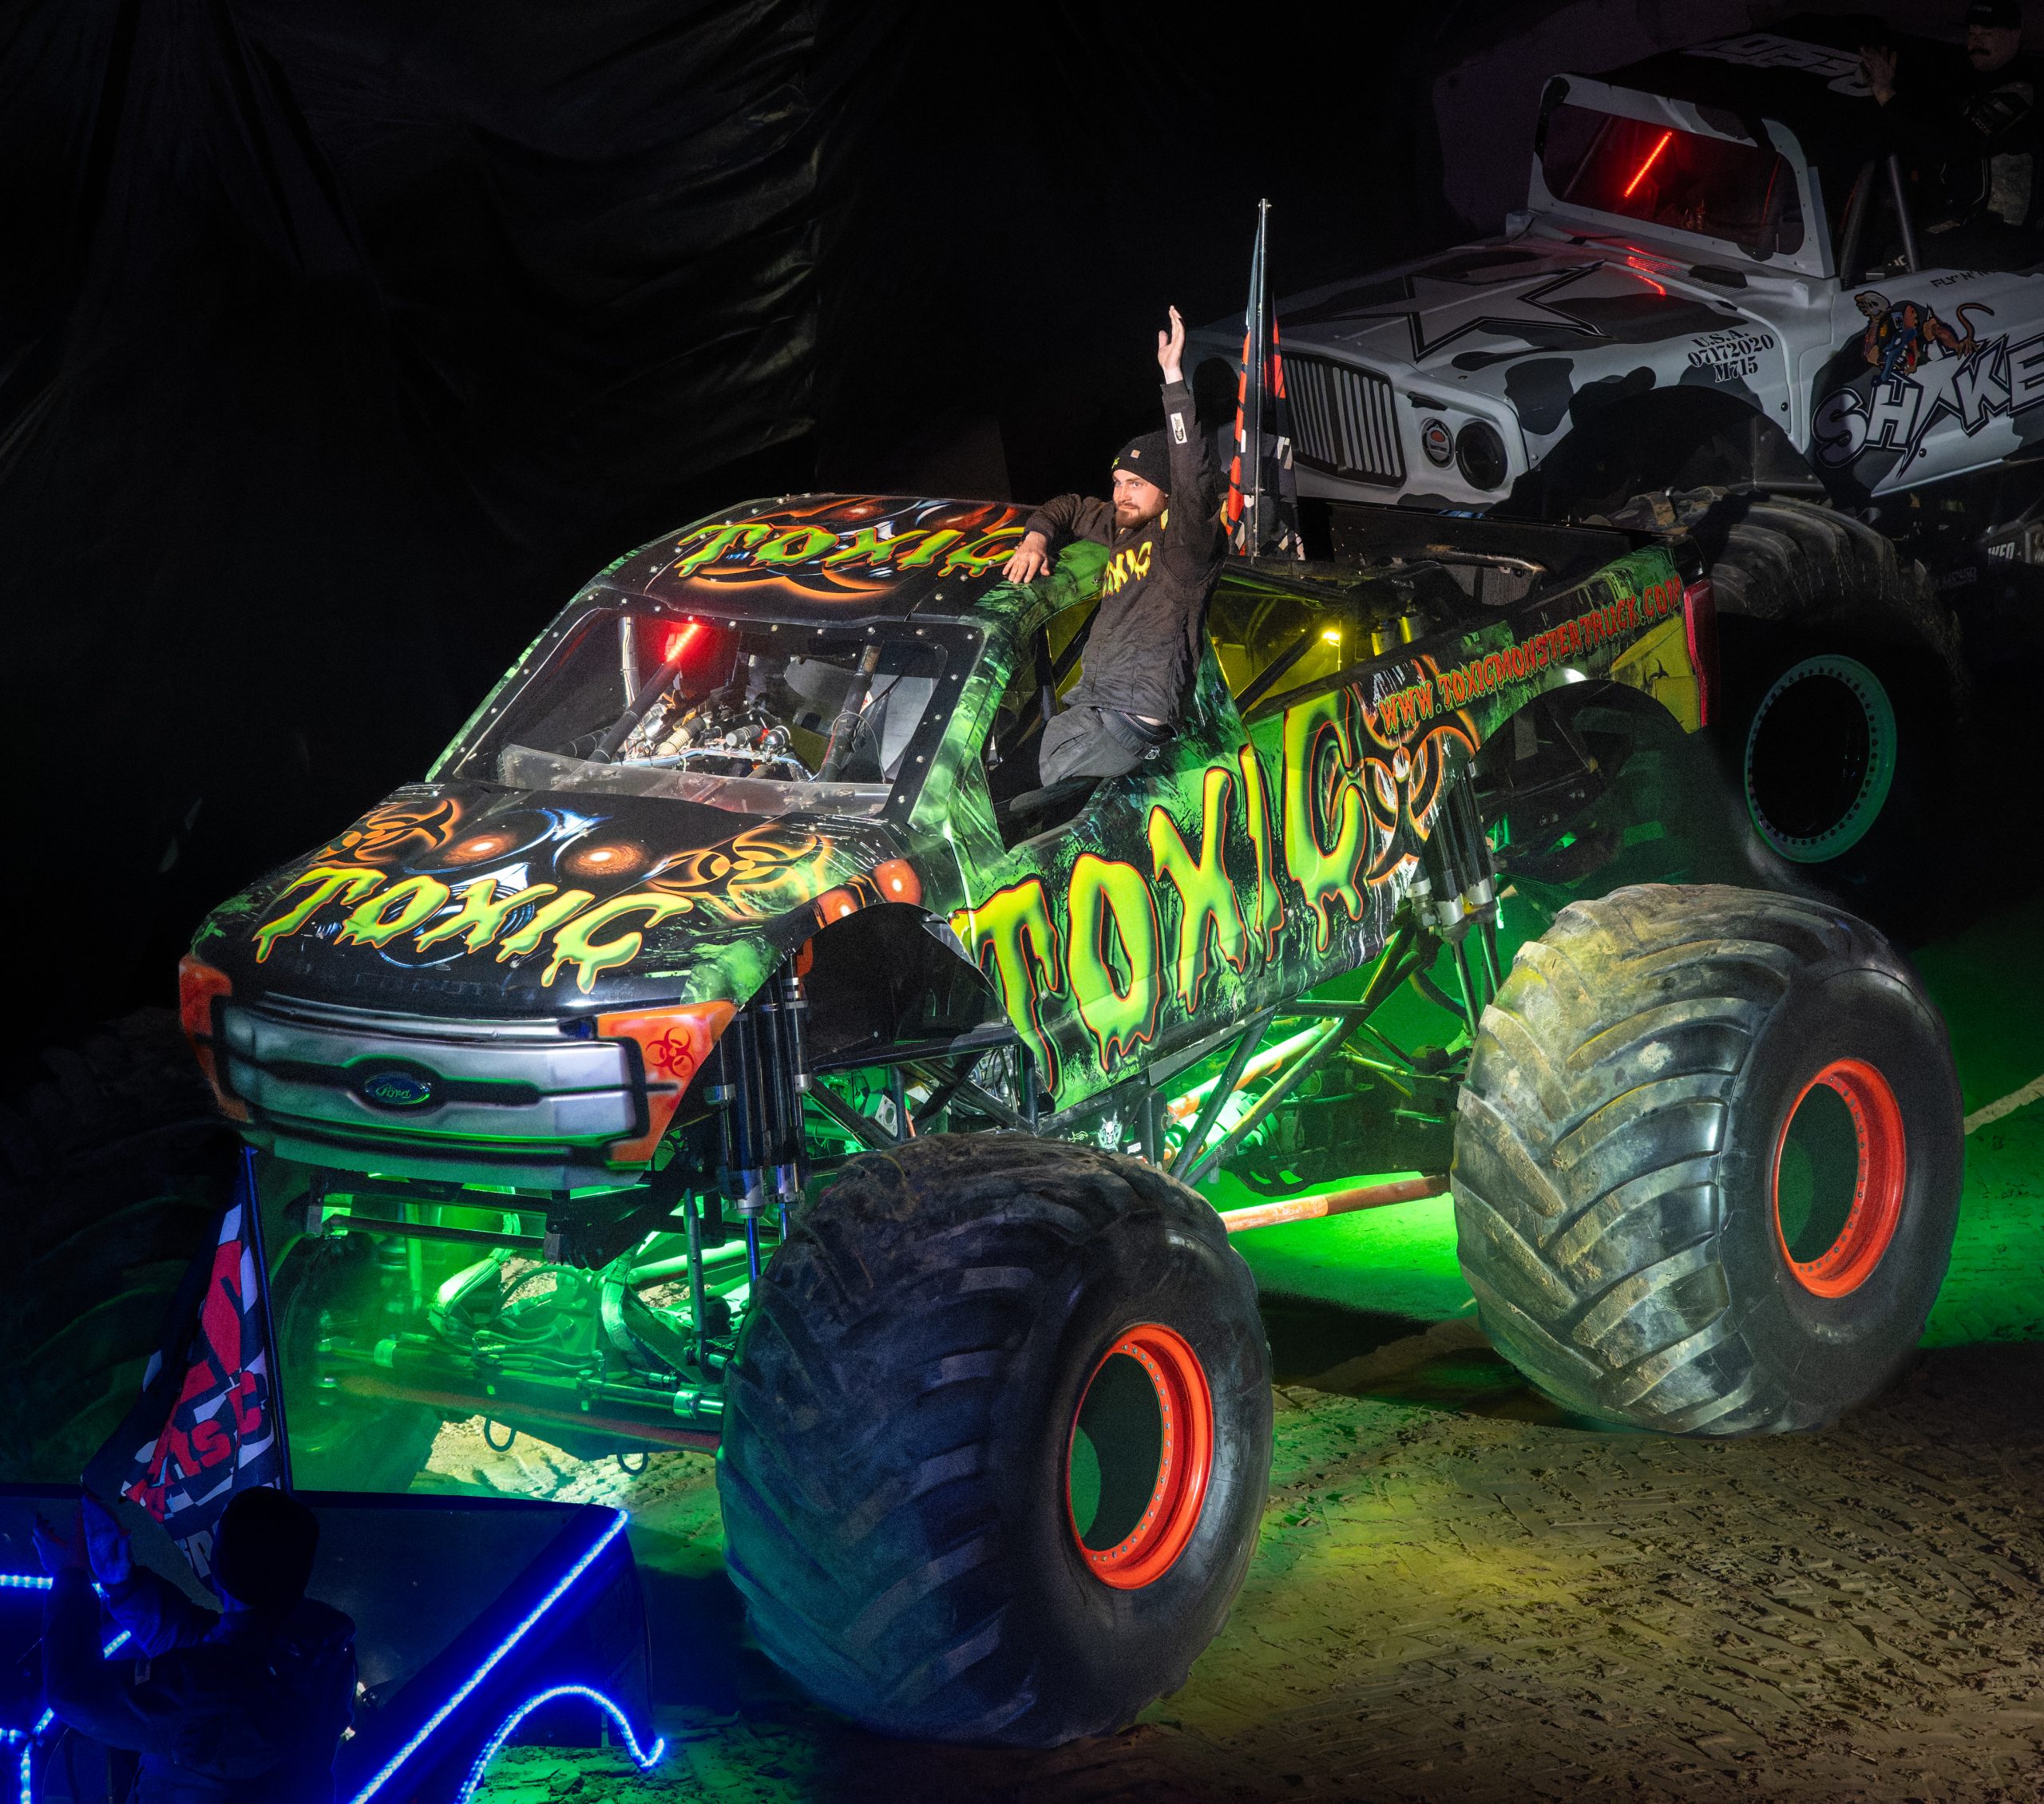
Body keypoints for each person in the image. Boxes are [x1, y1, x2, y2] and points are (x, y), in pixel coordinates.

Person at [1002, 306, 1223, 785]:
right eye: (1118, 480)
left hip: (1125, 716)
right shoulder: (1122, 525)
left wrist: (1172, 379)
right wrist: (1036, 539)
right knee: (996, 769)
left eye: (1136, 483)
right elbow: (1066, 505)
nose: (1122, 492)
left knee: (990, 793)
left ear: (1166, 495)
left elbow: (1192, 472)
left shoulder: (1183, 540)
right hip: (1098, 709)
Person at [36, 1489, 356, 1804]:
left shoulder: (210, 1692)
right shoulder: (320, 1645)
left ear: (214, 1563)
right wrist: (123, 1584)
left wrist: (69, 1577)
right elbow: (216, 1647)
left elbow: (72, 1692)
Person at [1862, 2, 2039, 244]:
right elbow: (1928, 118)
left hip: (2003, 229)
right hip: (1960, 215)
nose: (1977, 43)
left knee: (1901, 253)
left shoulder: (2022, 91)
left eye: (1987, 35)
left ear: (2015, 35)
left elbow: (1953, 146)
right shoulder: (1967, 76)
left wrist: (1886, 94)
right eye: (1973, 34)